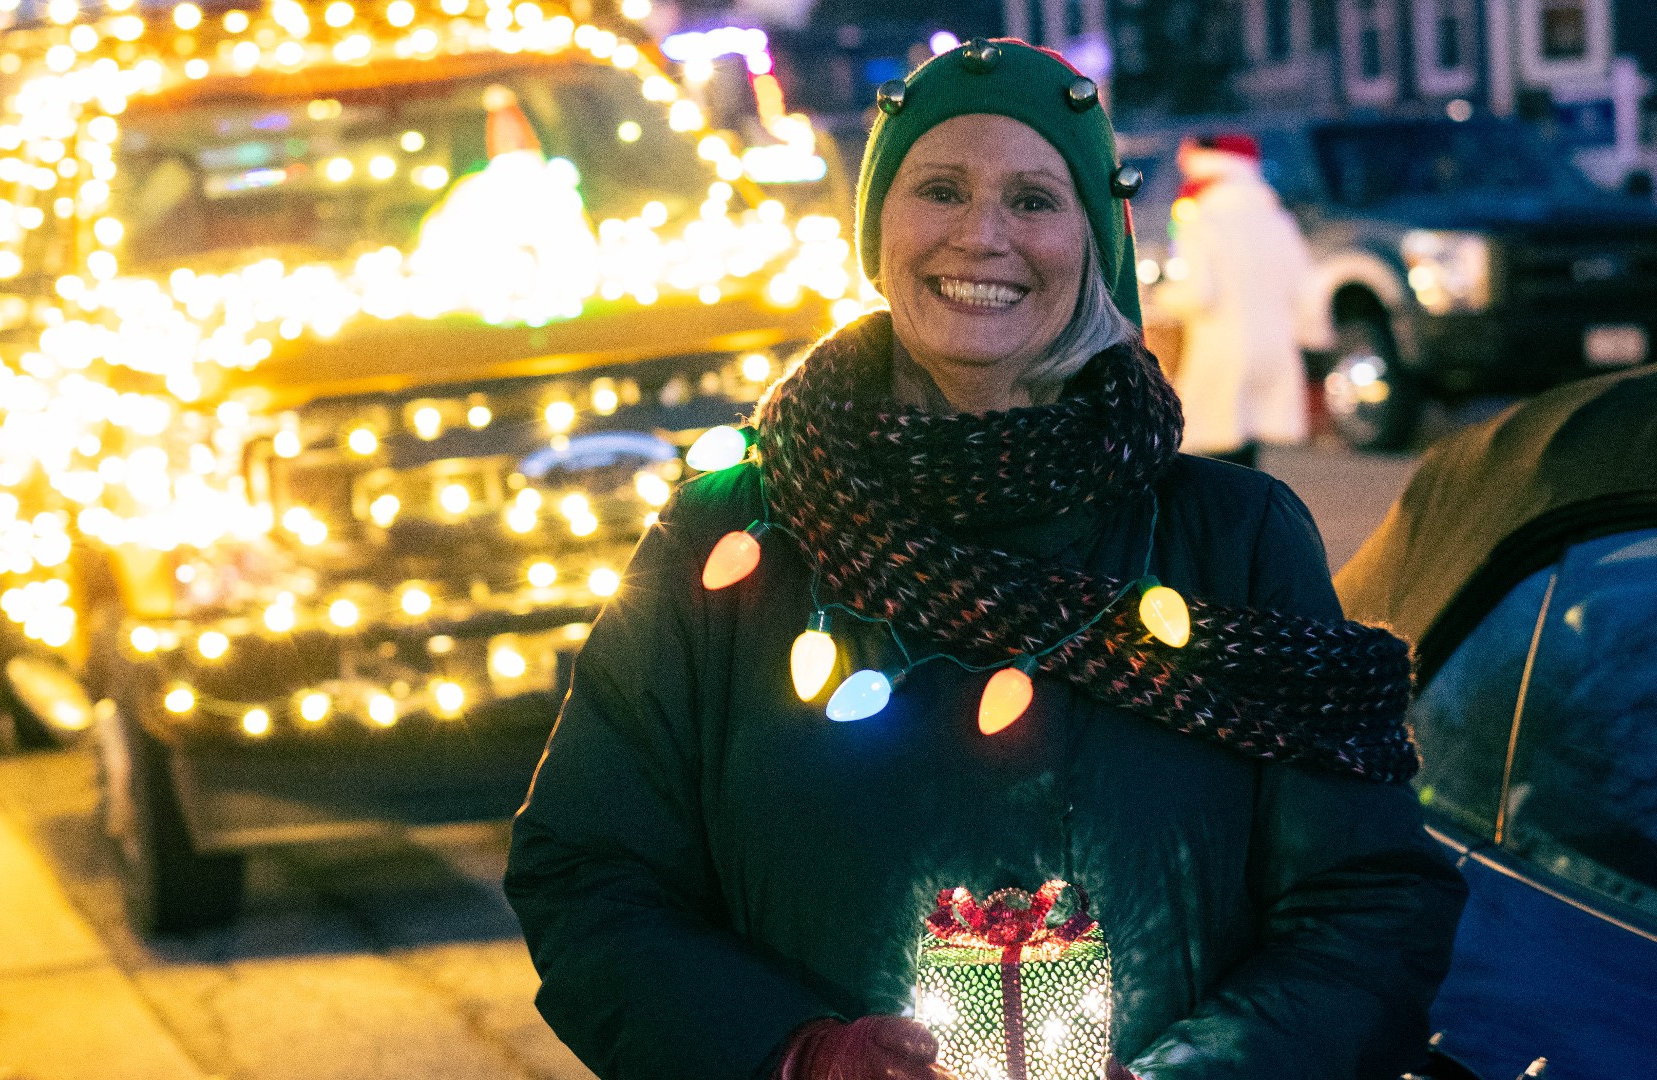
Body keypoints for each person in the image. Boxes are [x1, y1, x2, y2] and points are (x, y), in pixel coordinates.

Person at [505, 39, 1464, 1080]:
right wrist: (795, 1056)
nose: (983, 236)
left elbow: (1369, 893)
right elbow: (587, 871)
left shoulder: (1229, 539)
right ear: (878, 227)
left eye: (1035, 200)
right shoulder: (729, 542)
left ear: (1096, 240)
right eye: (942, 189)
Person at [1155, 133, 1317, 469]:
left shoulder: (1203, 218)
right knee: (1250, 457)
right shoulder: (1277, 218)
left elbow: (1197, 293)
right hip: (1275, 347)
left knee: (1217, 453)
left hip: (1222, 348)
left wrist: (1159, 299)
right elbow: (1302, 286)